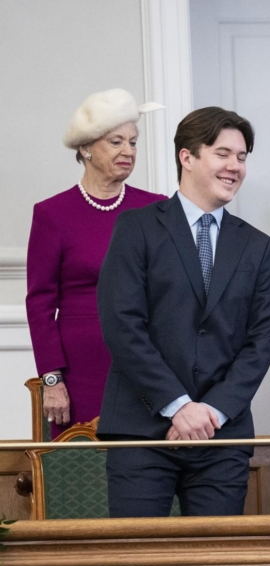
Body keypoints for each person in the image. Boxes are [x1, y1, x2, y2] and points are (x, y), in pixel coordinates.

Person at [97, 107, 270, 517]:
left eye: (243, 156)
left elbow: (261, 341)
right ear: (187, 157)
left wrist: (210, 411)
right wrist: (178, 405)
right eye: (223, 154)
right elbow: (122, 325)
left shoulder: (256, 246)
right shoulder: (136, 228)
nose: (235, 166)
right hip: (141, 430)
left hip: (222, 435)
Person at [26, 89, 167, 438]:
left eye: (134, 142)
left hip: (144, 357)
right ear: (86, 148)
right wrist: (53, 378)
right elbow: (40, 303)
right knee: (81, 473)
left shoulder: (156, 209)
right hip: (80, 366)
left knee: (144, 462)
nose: (128, 152)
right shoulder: (52, 214)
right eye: (116, 141)